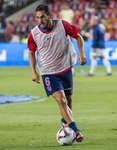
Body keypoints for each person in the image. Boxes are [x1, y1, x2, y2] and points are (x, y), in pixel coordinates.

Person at [28, 4, 87, 142]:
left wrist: (82, 53)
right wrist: (33, 71)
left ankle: (65, 122)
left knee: (69, 101)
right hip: (48, 73)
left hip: (66, 69)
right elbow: (31, 53)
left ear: (50, 15)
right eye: (38, 17)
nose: (40, 20)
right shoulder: (34, 34)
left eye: (43, 16)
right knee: (61, 100)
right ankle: (76, 130)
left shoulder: (63, 25)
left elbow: (78, 37)